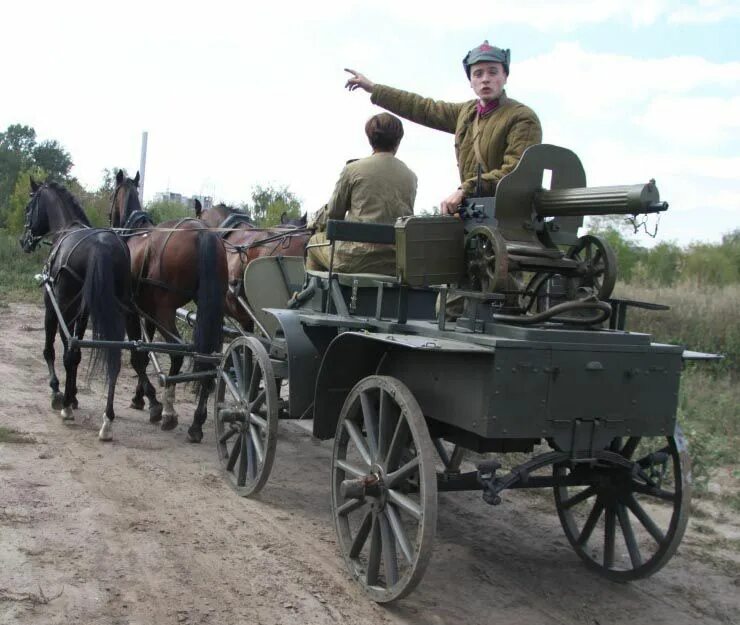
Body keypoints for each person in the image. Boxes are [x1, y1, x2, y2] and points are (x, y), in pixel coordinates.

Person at [345, 41, 542, 214]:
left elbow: (515, 172)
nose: (485, 79)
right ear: (470, 82)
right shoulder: (466, 113)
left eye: (493, 72)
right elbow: (422, 107)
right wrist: (374, 88)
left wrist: (466, 189)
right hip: (476, 212)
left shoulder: (521, 118)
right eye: (478, 73)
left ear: (505, 76)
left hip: (511, 215)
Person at [306, 112, 417, 275]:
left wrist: (315, 223)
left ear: (370, 138)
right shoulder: (411, 176)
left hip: (354, 259)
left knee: (313, 242)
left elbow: (334, 214)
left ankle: (312, 297)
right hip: (394, 262)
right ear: (398, 141)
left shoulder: (352, 169)